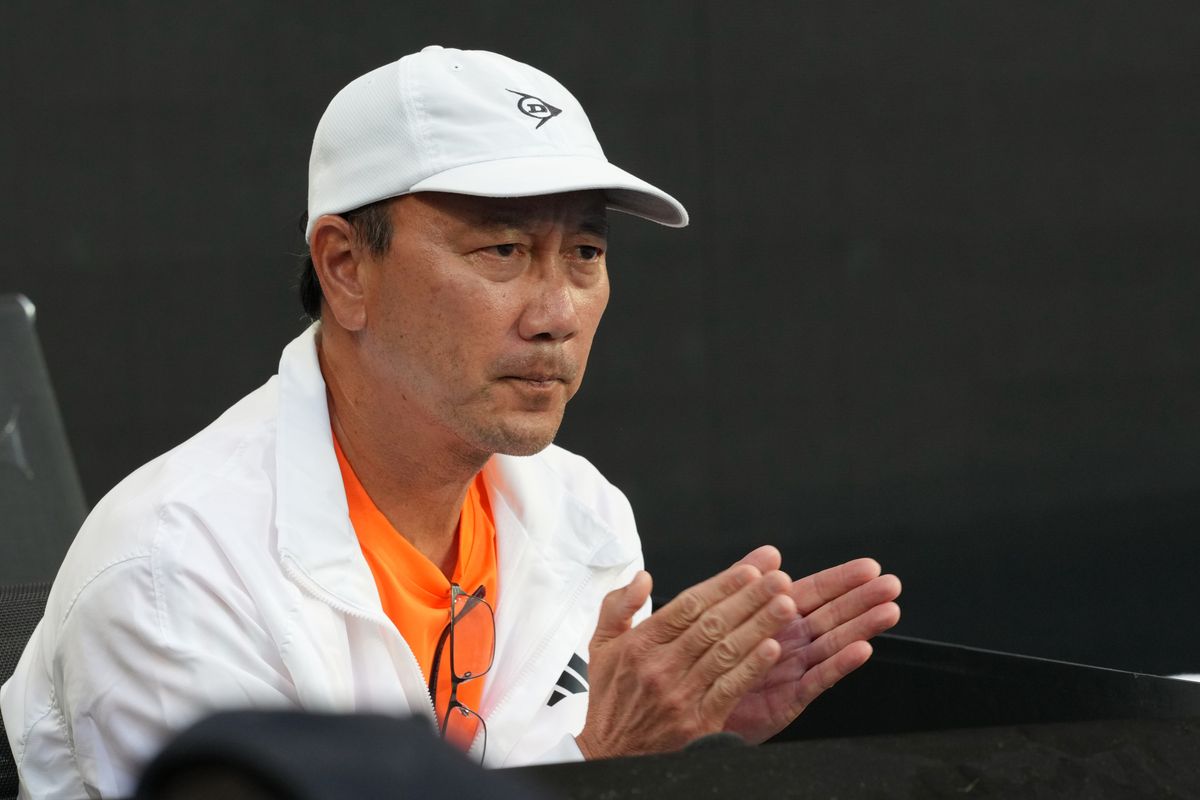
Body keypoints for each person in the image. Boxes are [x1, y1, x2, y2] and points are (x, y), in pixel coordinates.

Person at [1, 46, 901, 798]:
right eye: (502, 249)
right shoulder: (175, 575)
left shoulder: (581, 512)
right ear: (345, 269)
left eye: (585, 252)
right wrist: (602, 763)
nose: (556, 313)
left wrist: (690, 759)